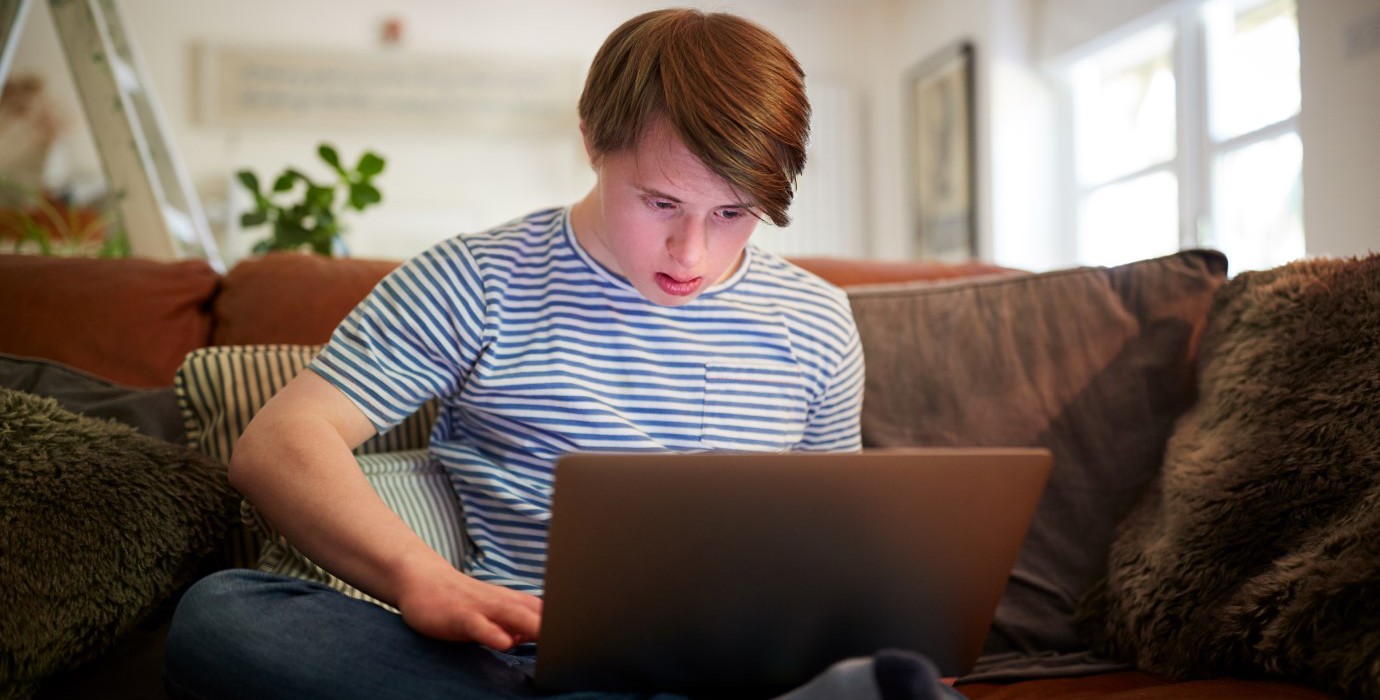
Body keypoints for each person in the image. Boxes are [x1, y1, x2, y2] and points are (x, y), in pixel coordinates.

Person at [164, 8, 962, 700]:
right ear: (591, 141)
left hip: (741, 674)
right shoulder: (475, 279)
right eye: (661, 203)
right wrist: (420, 576)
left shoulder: (817, 321)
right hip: (517, 668)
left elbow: (838, 538)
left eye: (732, 212)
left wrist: (880, 626)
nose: (692, 252)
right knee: (224, 619)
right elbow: (278, 442)